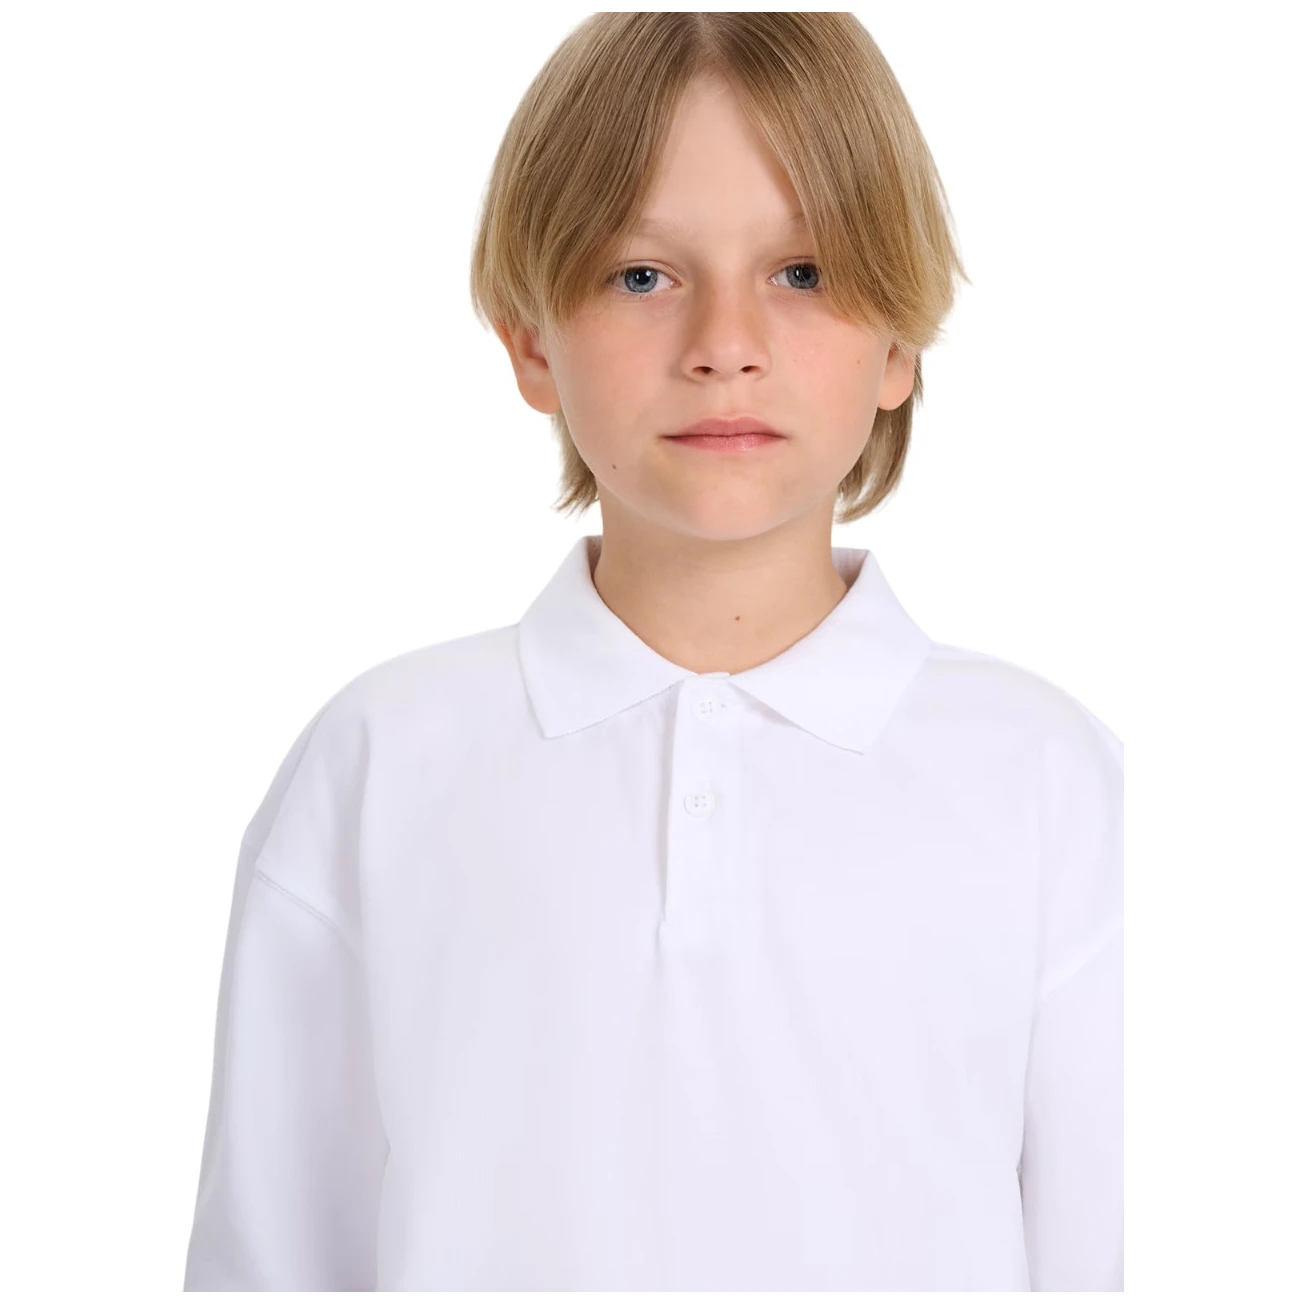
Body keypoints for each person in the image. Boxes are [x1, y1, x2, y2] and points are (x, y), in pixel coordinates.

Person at [182, 12, 1123, 1292]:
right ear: (531, 342)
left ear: (899, 343)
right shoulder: (381, 765)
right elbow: (270, 1264)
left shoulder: (1053, 781)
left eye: (803, 272)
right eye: (642, 276)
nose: (725, 343)